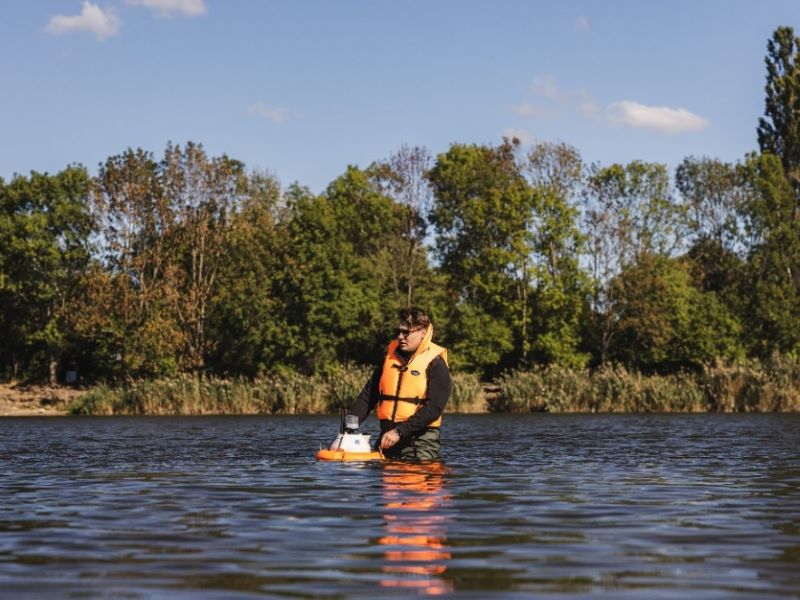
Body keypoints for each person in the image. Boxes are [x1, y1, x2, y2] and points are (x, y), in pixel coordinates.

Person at [348, 307, 452, 460]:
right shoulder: (388, 360)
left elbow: (433, 409)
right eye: (398, 331)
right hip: (387, 440)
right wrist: (347, 429)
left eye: (406, 332)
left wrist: (399, 432)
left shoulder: (436, 364)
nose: (400, 337)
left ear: (423, 333)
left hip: (418, 444)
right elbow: (367, 397)